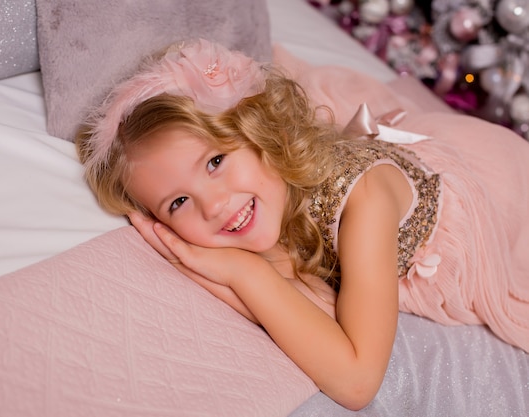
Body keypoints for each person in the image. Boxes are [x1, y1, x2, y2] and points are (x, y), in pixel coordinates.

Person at [75, 38, 529, 410]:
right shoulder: (259, 207)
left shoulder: (364, 200)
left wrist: (242, 273)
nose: (213, 206)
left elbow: (356, 380)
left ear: (259, 133)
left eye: (215, 161)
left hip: (502, 182)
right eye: (177, 202)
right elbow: (300, 313)